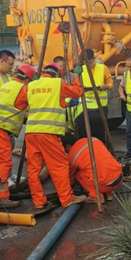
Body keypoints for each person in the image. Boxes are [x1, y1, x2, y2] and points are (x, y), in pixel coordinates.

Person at [21, 62, 86, 209]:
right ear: (57, 74)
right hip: (49, 133)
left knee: (33, 169)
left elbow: (23, 102)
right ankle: (67, 198)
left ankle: (38, 201)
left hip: (31, 133)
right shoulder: (58, 84)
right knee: (59, 166)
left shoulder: (31, 86)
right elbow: (77, 92)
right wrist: (76, 76)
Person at [0, 64, 36, 208]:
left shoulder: (6, 85)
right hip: (0, 129)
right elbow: (32, 107)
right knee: (3, 163)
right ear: (27, 80)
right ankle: (1, 197)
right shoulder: (23, 89)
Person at [67, 137, 123, 204]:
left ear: (68, 146)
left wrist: (67, 188)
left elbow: (71, 176)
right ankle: (108, 194)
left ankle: (97, 197)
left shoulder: (72, 154)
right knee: (103, 168)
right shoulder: (92, 139)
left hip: (104, 184)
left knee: (78, 175)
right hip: (119, 177)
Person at [74, 49, 113, 144]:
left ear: (94, 59)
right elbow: (76, 86)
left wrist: (104, 87)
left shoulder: (103, 68)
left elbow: (110, 83)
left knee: (100, 132)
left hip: (101, 105)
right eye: (86, 62)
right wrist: (76, 75)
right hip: (86, 106)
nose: (89, 64)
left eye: (90, 62)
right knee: (86, 131)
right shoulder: (80, 70)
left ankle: (102, 149)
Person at [118, 55, 131, 159]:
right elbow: (121, 87)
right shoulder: (126, 75)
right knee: (129, 131)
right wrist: (122, 95)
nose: (127, 67)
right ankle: (130, 152)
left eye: (129, 64)